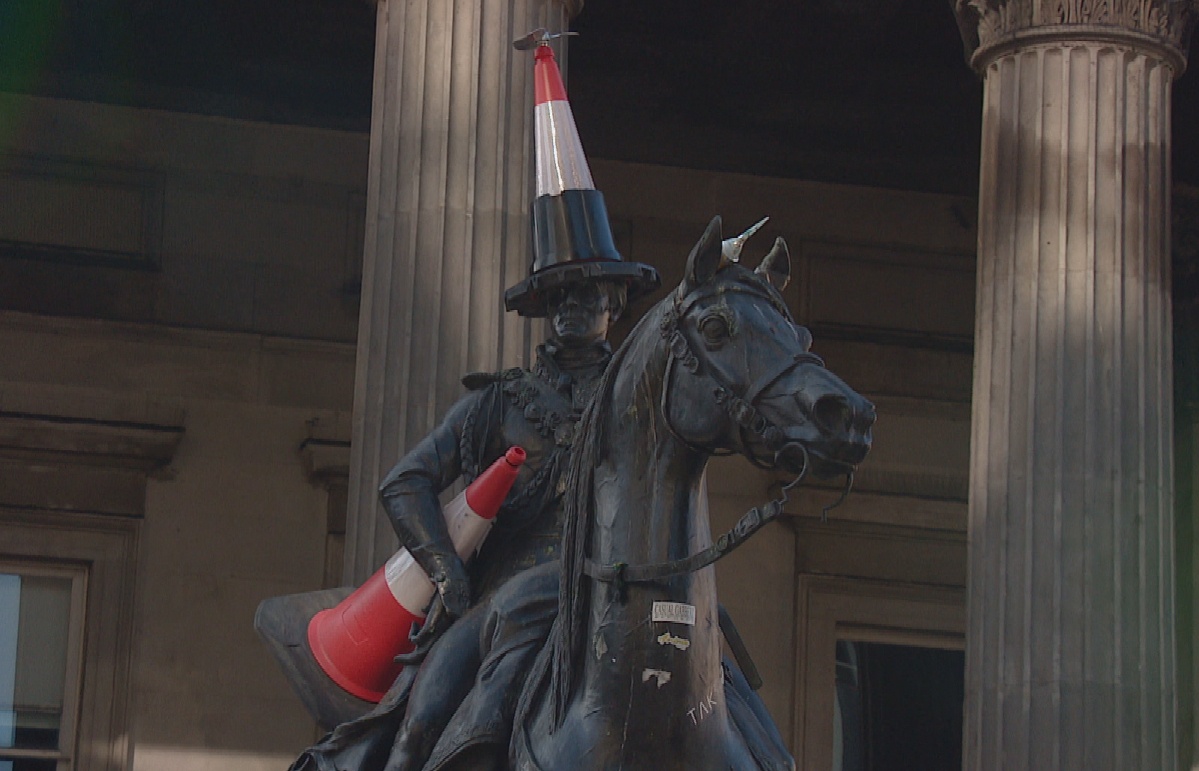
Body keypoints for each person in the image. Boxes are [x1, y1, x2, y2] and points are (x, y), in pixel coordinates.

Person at [290, 260, 659, 771]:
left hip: (617, 591)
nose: (569, 306)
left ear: (614, 303)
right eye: (558, 297)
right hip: (503, 597)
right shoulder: (499, 402)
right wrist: (447, 571)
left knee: (723, 693)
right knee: (419, 725)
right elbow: (405, 481)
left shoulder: (640, 405)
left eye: (585, 293)